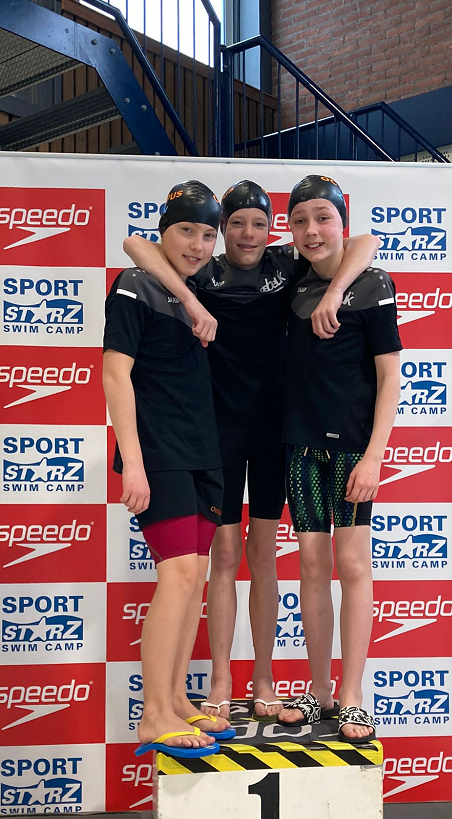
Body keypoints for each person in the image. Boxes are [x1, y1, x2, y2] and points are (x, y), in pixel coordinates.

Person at [123, 179, 380, 719]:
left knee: (263, 556)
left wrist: (335, 291)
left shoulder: (287, 265)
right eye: (236, 223)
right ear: (222, 230)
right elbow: (135, 245)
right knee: (222, 557)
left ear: (271, 230)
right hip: (214, 432)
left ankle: (263, 678)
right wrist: (190, 300)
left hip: (273, 431)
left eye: (259, 224)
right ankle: (221, 679)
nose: (247, 234)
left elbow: (365, 243)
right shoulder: (205, 270)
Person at [103, 179, 234, 759]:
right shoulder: (134, 285)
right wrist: (132, 462)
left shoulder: (196, 284)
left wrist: (191, 297)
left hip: (202, 450)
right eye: (186, 231)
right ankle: (153, 713)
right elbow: (115, 374)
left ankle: (177, 698)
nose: (198, 245)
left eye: (208, 234)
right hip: (160, 453)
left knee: (194, 577)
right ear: (164, 231)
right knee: (177, 576)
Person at [277, 174, 402, 743]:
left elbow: (389, 376)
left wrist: (374, 457)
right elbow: (359, 240)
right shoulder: (291, 275)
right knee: (311, 566)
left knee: (352, 567)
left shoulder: (373, 283)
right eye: (300, 220)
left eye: (323, 218)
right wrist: (324, 290)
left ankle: (352, 696)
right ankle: (319, 690)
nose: (311, 230)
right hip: (300, 446)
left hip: (352, 450)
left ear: (340, 222)